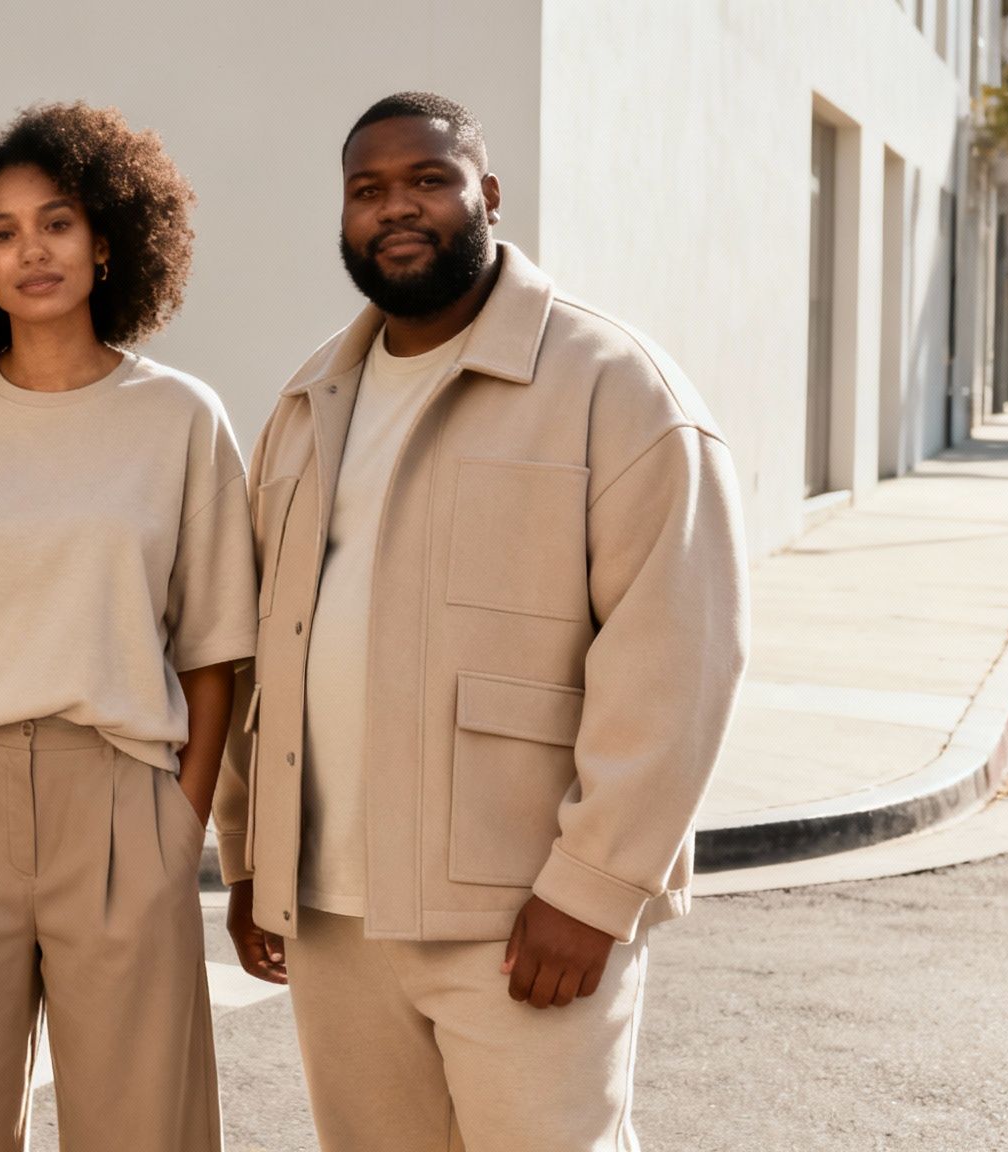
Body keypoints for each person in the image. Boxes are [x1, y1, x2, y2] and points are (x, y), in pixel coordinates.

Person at [214, 91, 749, 1151]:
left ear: (486, 195)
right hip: (332, 913)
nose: (394, 208)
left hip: (518, 919)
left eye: (426, 178)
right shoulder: (309, 399)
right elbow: (260, 647)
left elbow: (678, 657)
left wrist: (593, 891)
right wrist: (247, 859)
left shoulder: (611, 386)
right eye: (366, 190)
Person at [0, 101, 254, 1151]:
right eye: (0, 230)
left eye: (57, 220)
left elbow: (216, 652)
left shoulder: (180, 418)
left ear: (108, 238)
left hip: (122, 800)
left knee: (141, 1127)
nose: (32, 249)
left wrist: (180, 824)